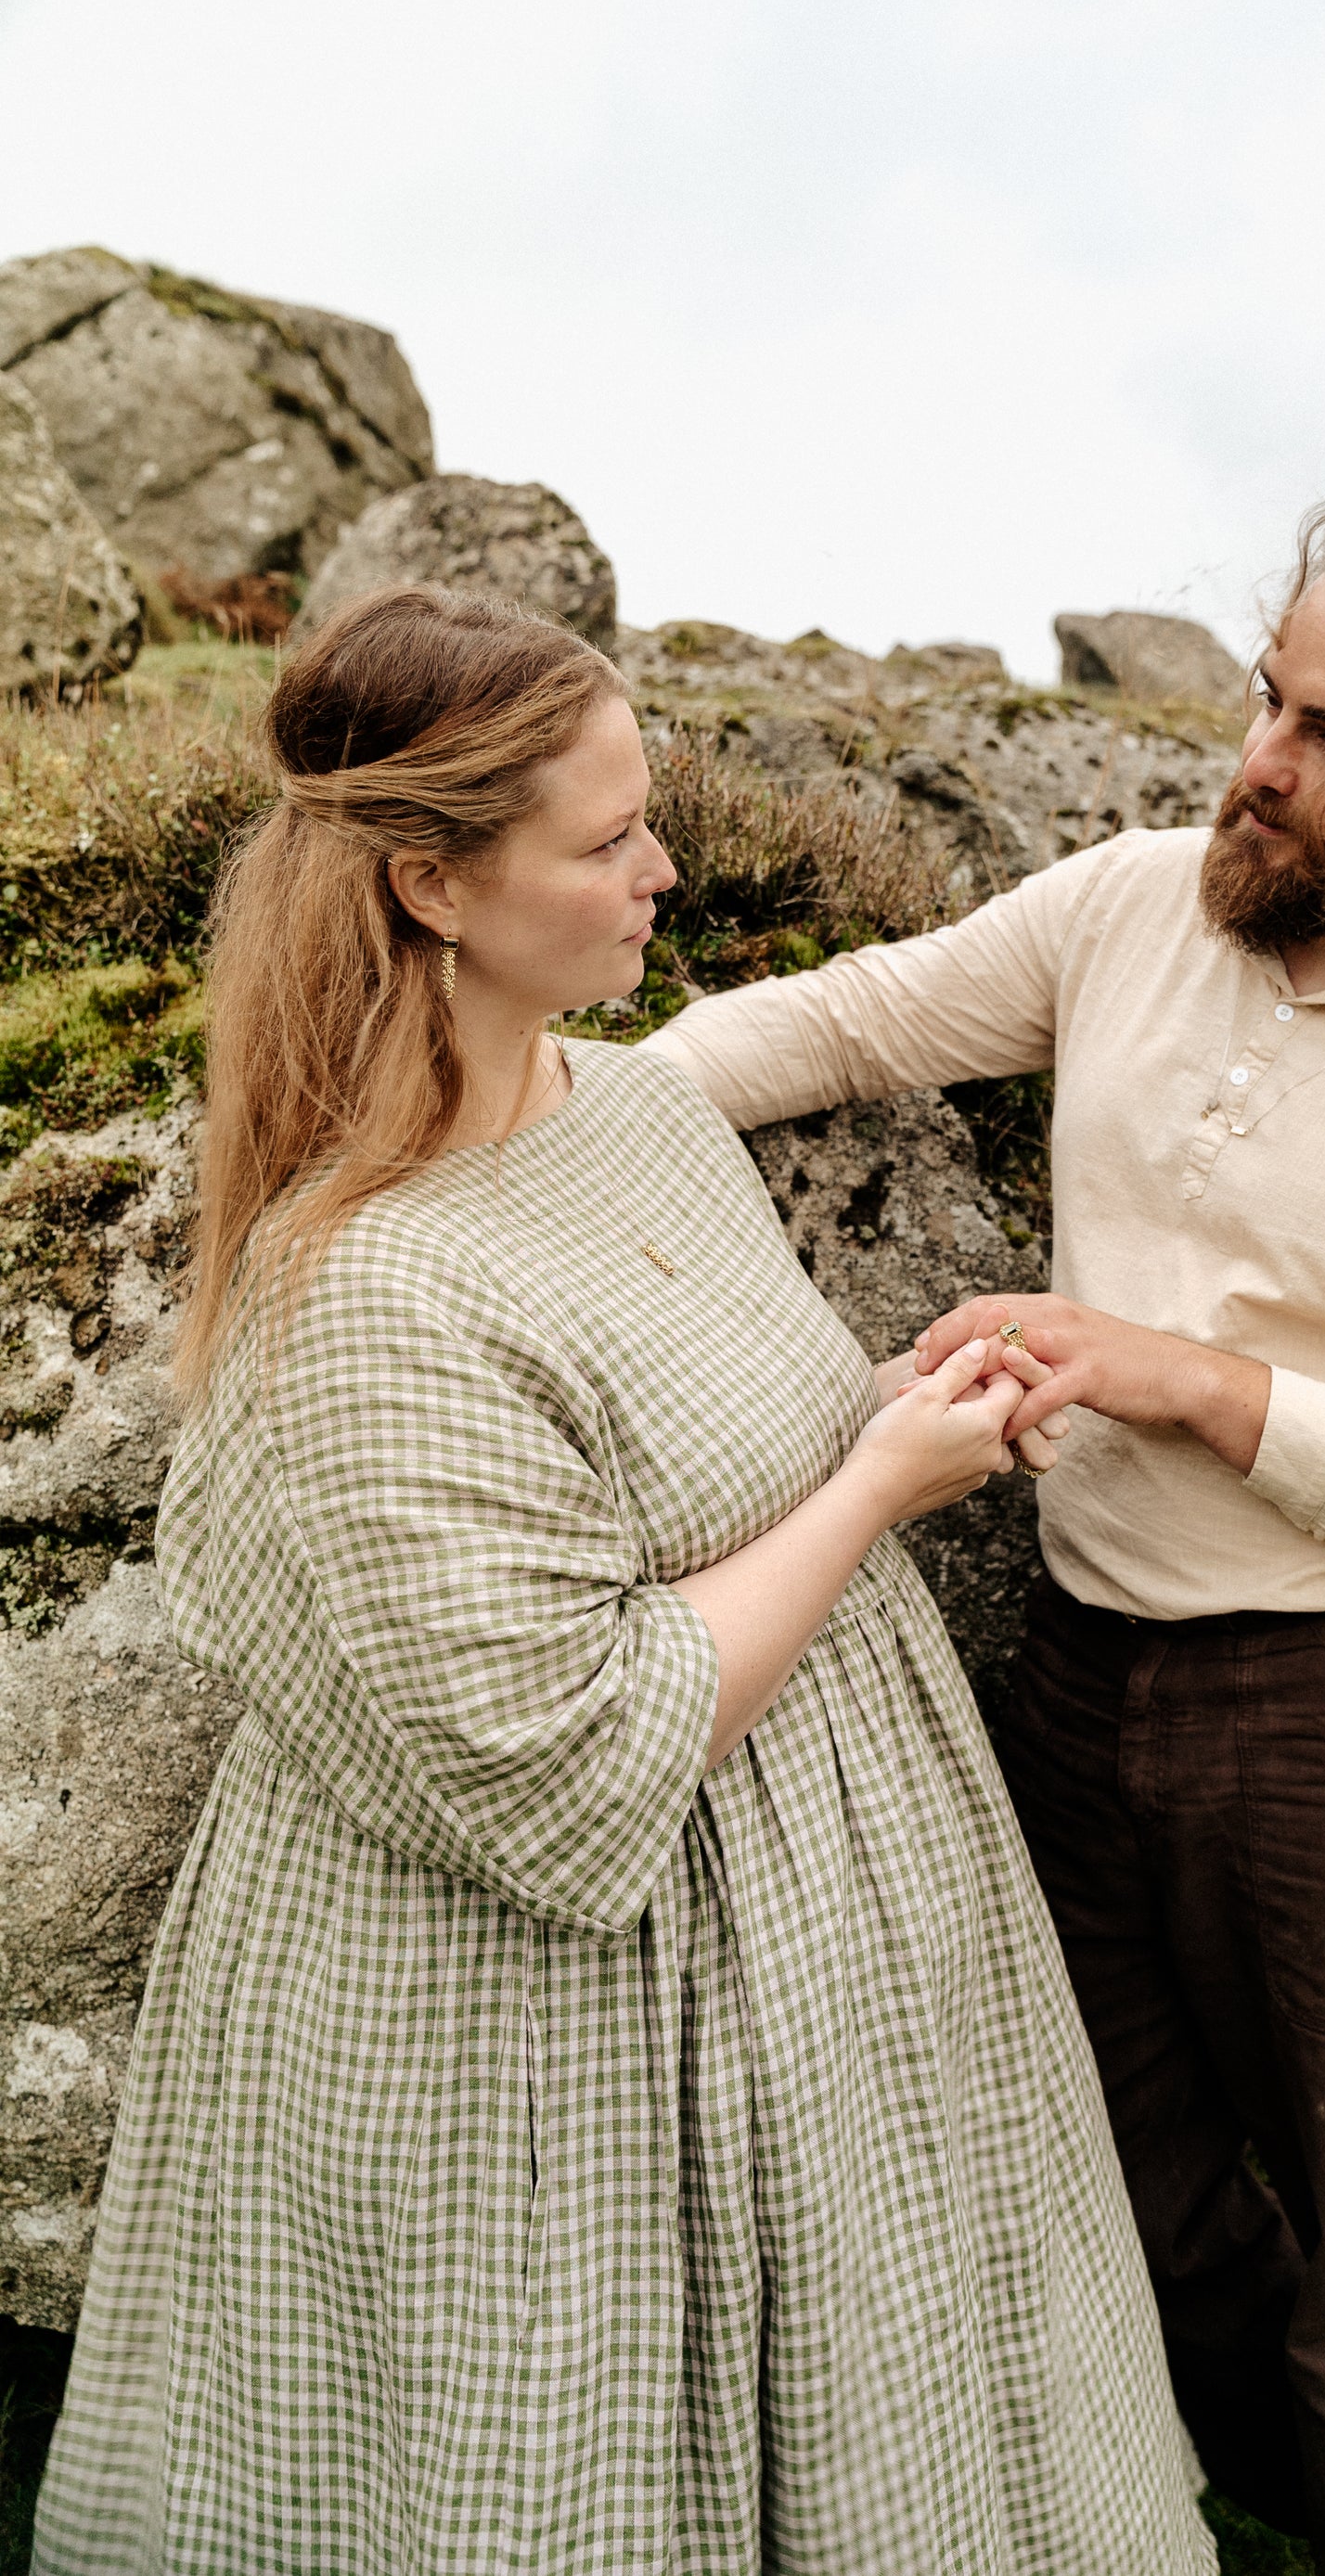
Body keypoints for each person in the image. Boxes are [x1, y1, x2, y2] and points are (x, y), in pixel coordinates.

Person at [33, 587, 1217, 2575]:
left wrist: (894, 1399)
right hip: (553, 2004)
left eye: (647, 813)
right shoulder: (368, 1293)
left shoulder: (652, 1107)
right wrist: (880, 1485)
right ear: (429, 883)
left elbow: (717, 1455)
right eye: (605, 841)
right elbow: (576, 1747)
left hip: (848, 1910)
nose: (665, 866)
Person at [649, 494, 1325, 2576]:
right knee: (1098, 2185)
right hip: (1083, 1670)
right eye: (1263, 696)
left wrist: (1201, 1383)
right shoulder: (1138, 904)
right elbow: (852, 1022)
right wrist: (546, 1114)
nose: (1259, 761)